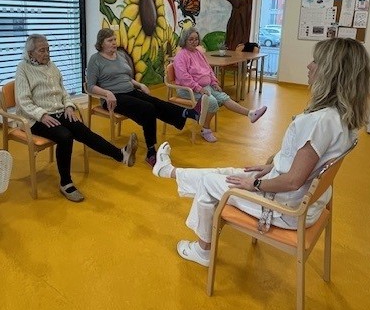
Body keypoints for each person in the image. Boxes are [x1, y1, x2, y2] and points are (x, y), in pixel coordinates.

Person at [152, 38, 370, 267]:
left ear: (331, 73)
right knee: (228, 172)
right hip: (301, 201)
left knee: (208, 184)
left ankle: (202, 251)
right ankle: (169, 171)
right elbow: (304, 167)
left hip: (282, 207)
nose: (309, 66)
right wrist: (271, 167)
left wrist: (255, 184)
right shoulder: (341, 119)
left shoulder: (319, 122)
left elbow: (293, 181)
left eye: (315, 61)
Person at [15, 34, 138, 203]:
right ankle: (65, 183)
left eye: (48, 49)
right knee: (65, 136)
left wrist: (69, 106)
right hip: (34, 119)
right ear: (30, 53)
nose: (47, 53)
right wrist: (41, 115)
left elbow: (63, 92)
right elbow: (23, 101)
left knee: (83, 130)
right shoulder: (23, 68)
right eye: (42, 50)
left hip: (59, 111)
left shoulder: (52, 66)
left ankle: (121, 155)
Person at [86, 28, 208, 167]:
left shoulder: (119, 55)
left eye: (114, 39)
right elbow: (90, 86)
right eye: (110, 40)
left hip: (130, 91)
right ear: (101, 43)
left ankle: (189, 113)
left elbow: (126, 77)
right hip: (113, 98)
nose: (114, 43)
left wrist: (140, 84)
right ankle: (151, 151)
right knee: (148, 108)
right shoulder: (95, 59)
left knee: (156, 102)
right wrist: (107, 93)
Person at [173, 28, 267, 142]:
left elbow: (208, 69)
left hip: (204, 87)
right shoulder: (181, 56)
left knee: (224, 97)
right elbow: (184, 78)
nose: (194, 42)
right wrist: (198, 88)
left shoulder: (198, 53)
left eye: (196, 39)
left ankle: (251, 114)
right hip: (188, 89)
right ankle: (205, 130)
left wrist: (214, 82)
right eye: (191, 39)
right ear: (184, 40)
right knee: (212, 102)